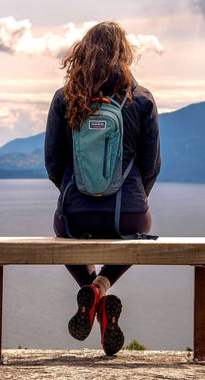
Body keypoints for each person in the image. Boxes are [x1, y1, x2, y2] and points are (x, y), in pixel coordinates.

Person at [44, 21, 160, 356]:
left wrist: (74, 193)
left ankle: (91, 292)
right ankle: (100, 289)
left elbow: (53, 162)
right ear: (125, 54)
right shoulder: (141, 99)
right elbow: (151, 166)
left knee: (64, 231)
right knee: (139, 235)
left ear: (82, 52)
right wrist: (135, 202)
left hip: (74, 217)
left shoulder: (65, 98)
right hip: (129, 216)